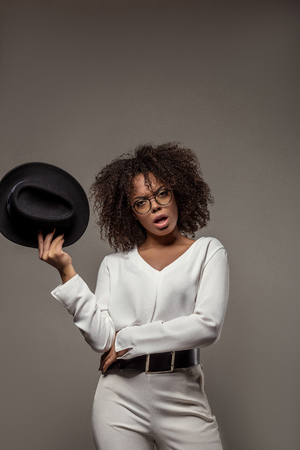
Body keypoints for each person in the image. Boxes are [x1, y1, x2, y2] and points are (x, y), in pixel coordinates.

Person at [38, 142, 229, 450]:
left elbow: (207, 326)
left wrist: (128, 340)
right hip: (118, 399)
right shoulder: (115, 265)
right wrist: (66, 270)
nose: (155, 206)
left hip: (183, 395)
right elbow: (101, 340)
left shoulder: (208, 251)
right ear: (131, 214)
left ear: (178, 193)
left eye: (162, 193)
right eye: (141, 202)